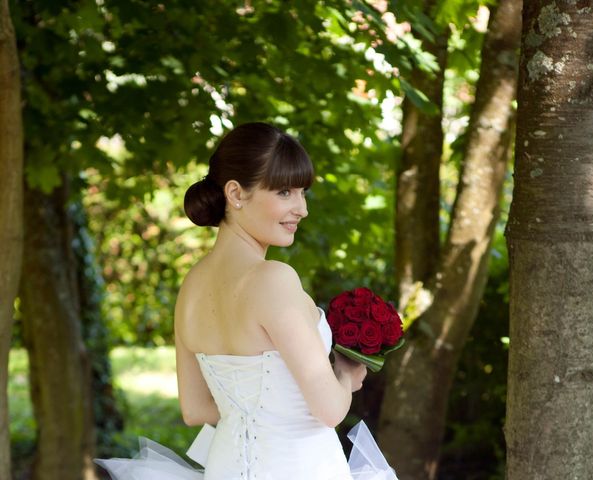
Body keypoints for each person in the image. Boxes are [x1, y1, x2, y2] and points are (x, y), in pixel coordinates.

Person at [96, 122, 397, 480]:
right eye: (284, 192)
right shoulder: (273, 279)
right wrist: (346, 375)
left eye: (303, 192)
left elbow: (195, 409)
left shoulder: (191, 287)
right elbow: (330, 410)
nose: (301, 208)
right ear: (236, 193)